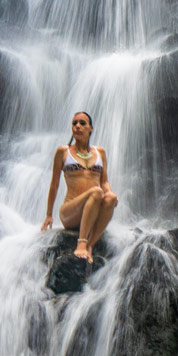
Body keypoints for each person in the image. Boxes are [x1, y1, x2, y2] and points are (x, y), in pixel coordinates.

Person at [40, 112, 118, 262]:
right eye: (74, 123)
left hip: (93, 213)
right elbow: (54, 184)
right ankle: (81, 242)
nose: (77, 126)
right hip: (70, 212)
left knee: (111, 197)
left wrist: (109, 192)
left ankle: (90, 246)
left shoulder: (100, 152)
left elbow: (104, 182)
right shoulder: (63, 151)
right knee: (96, 192)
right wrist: (49, 215)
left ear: (91, 128)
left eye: (82, 123)